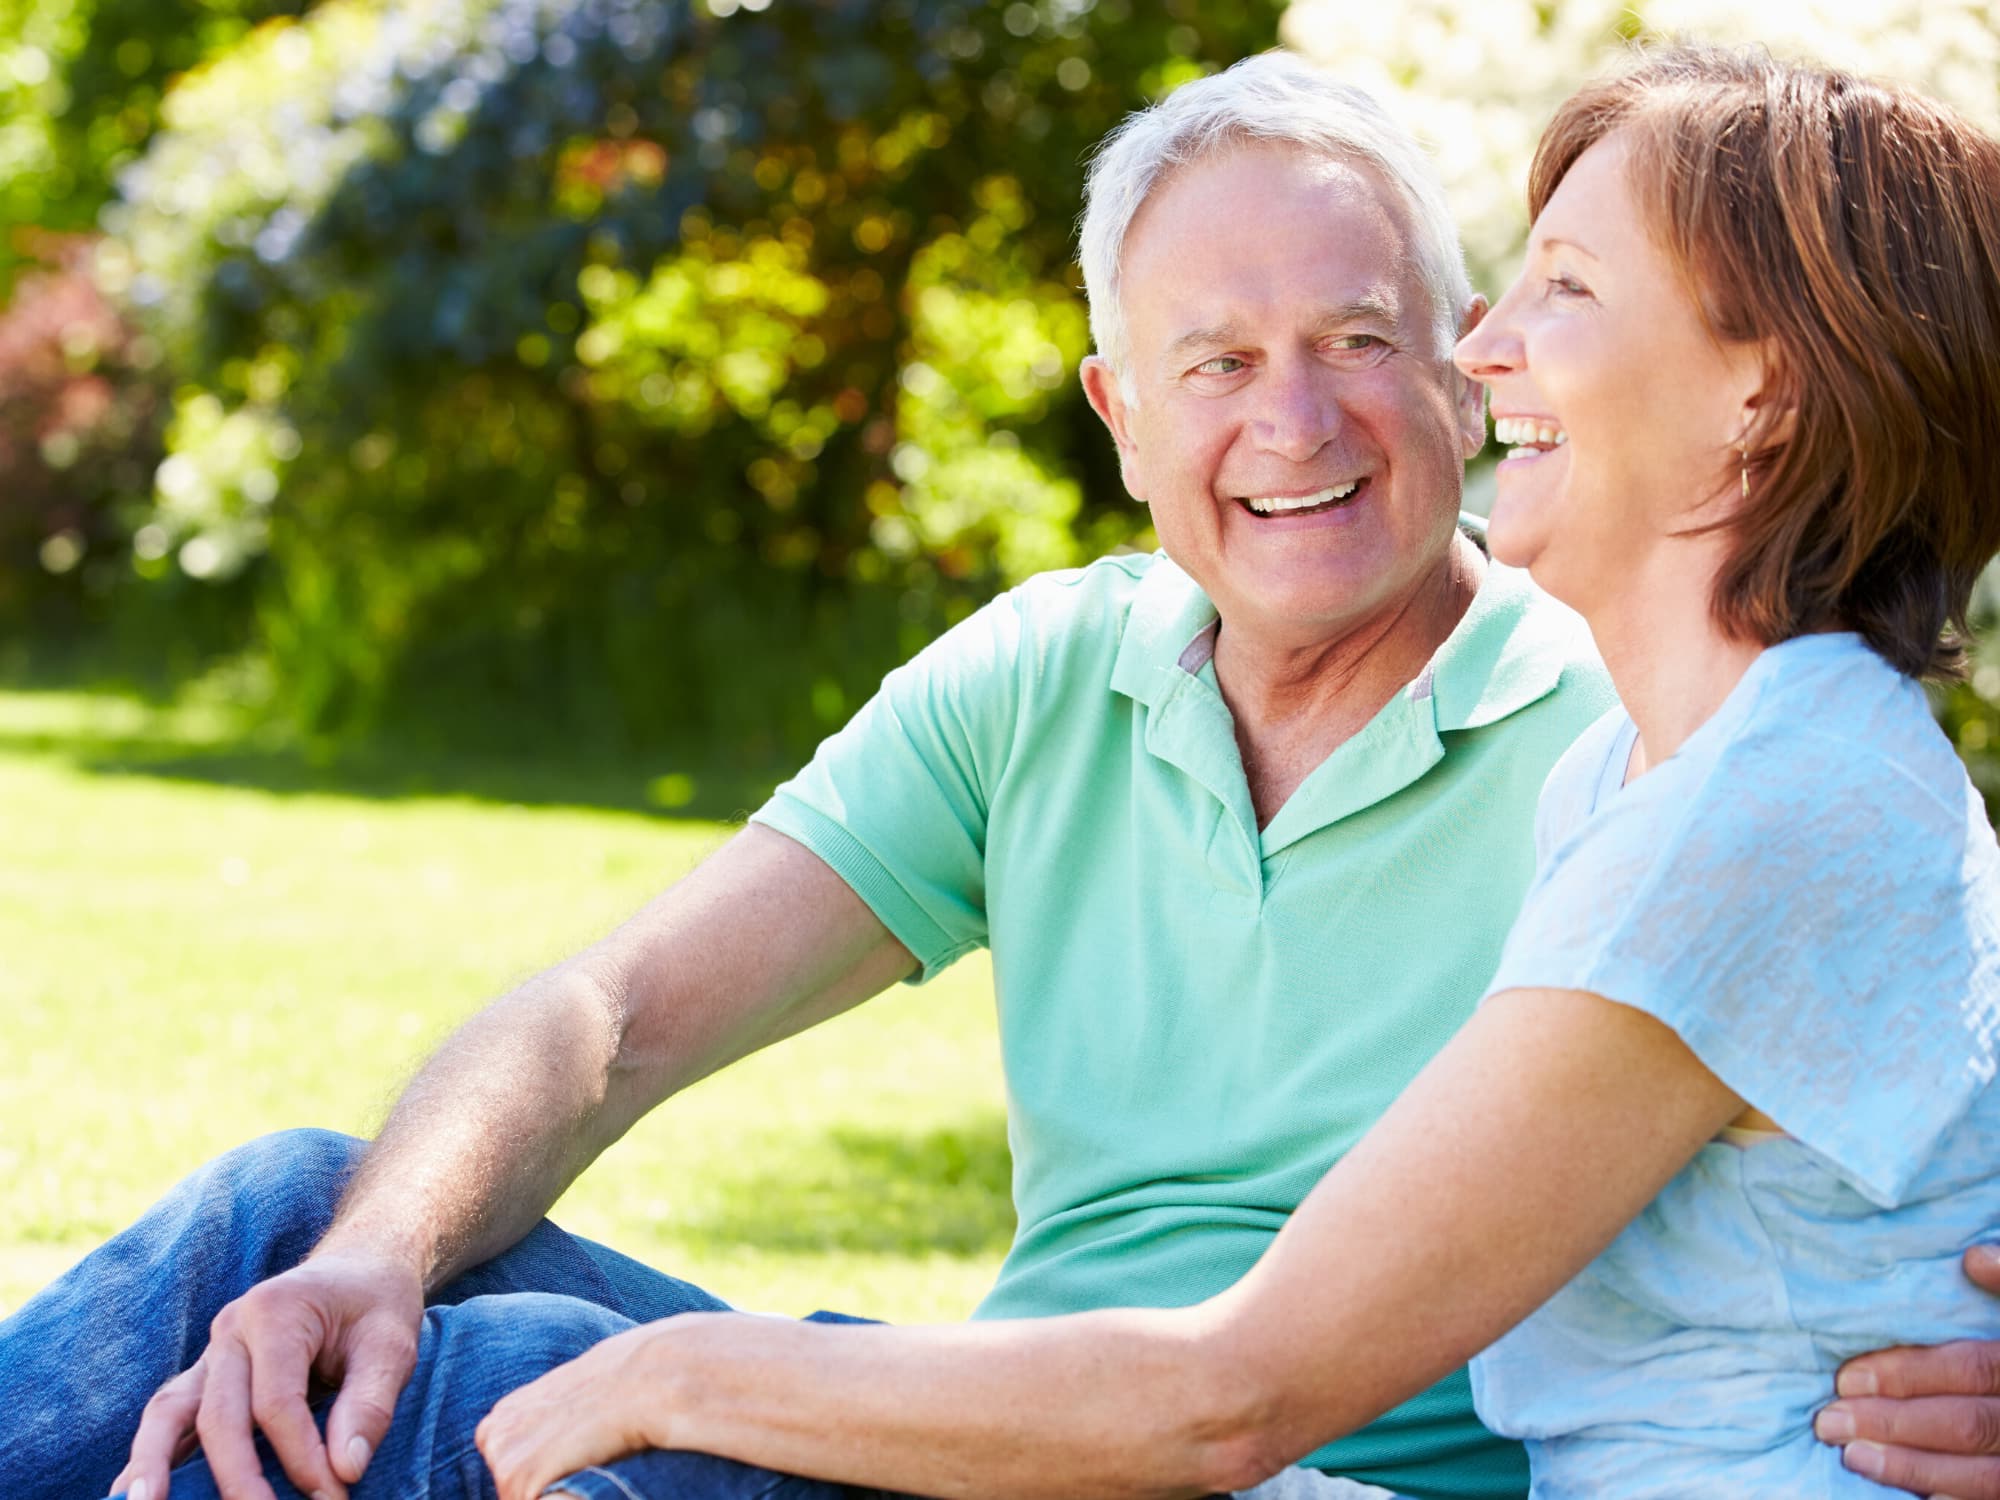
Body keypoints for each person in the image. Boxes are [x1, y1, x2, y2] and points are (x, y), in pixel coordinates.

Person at [1, 48, 1996, 1500]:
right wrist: (371, 1258)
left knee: (497, 1403)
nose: (1462, 361)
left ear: (1756, 397)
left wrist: (684, 1370)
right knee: (303, 1230)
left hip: (1239, 1448)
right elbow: (605, 1017)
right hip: (1043, 1415)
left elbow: (1250, 1391)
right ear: (1119, 414)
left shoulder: (1676, 751)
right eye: (1215, 362)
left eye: (1381, 332)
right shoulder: (1123, 685)